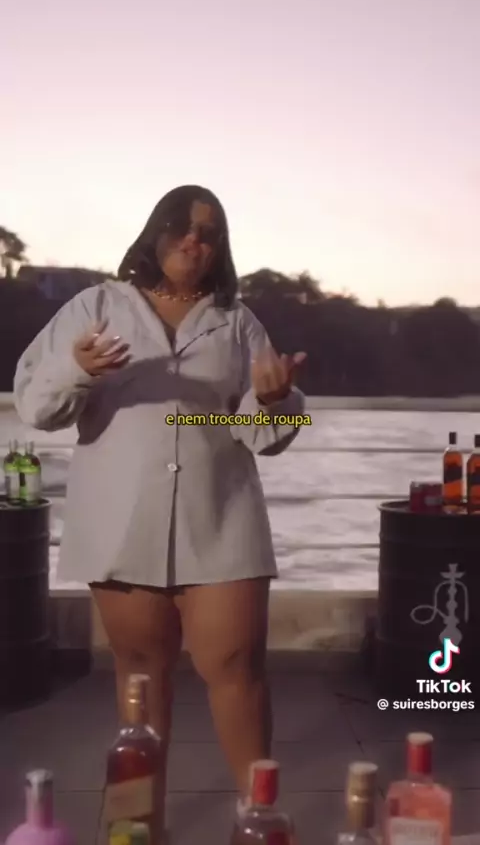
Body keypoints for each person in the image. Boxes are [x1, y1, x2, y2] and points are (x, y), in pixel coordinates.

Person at [14, 185, 306, 835]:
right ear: (156, 232)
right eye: (182, 226)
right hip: (120, 519)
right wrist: (78, 368)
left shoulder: (237, 322)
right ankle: (138, 826)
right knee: (140, 677)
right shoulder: (94, 307)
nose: (195, 241)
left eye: (210, 232)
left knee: (237, 669)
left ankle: (259, 823)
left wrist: (274, 400)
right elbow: (36, 406)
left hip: (221, 517)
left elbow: (256, 433)